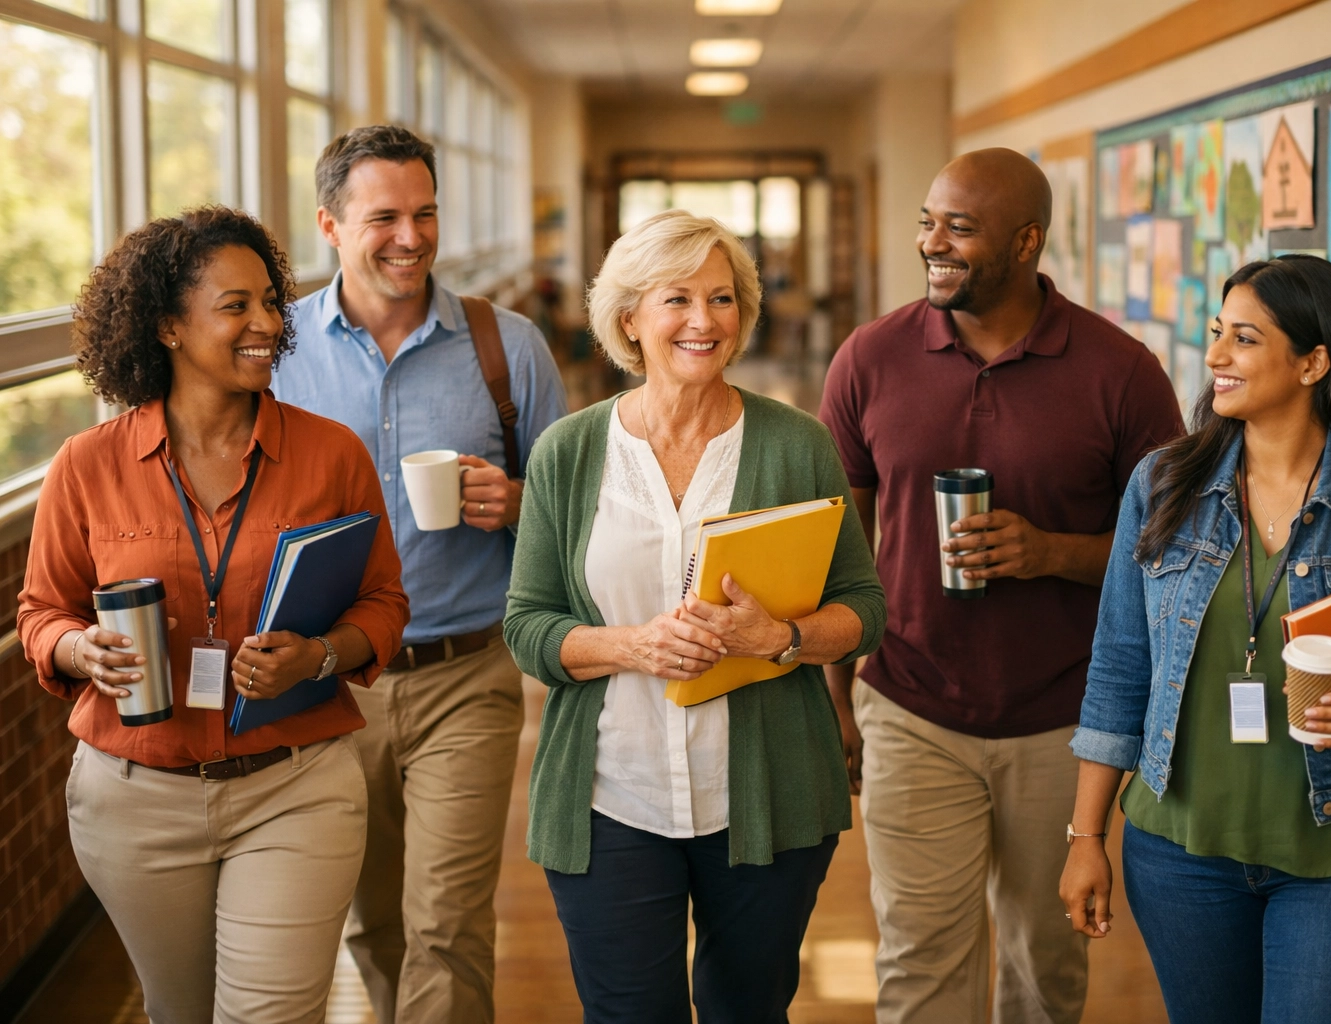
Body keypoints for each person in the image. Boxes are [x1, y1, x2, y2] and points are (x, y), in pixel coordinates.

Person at [1060, 255, 1331, 1024]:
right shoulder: (1162, 487)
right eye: (1217, 333)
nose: (1215, 356)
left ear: (1315, 361)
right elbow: (1121, 664)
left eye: (1244, 339)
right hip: (1181, 852)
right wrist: (1086, 835)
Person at [17, 207, 409, 1024]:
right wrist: (77, 650)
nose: (269, 322)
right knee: (177, 1011)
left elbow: (382, 602)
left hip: (293, 785)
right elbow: (41, 613)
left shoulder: (331, 452)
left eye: (271, 301)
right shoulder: (88, 466)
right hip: (135, 797)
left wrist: (320, 657)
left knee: (269, 1014)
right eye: (237, 306)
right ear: (167, 326)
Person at [818, 148, 1184, 1024]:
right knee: (917, 966)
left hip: (1067, 721)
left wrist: (1049, 552)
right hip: (909, 707)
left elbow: (1175, 560)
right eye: (927, 220)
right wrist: (835, 700)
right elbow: (838, 544)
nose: (932, 243)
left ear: (1027, 242)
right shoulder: (869, 358)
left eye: (960, 228)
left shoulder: (1120, 372)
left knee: (1043, 968)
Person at [503, 210, 886, 1022]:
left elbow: (865, 609)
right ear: (630, 317)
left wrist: (780, 639)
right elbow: (528, 627)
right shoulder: (568, 454)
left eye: (722, 299)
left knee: (747, 1009)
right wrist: (634, 646)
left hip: (765, 799)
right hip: (610, 799)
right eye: (677, 298)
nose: (703, 322)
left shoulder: (797, 444)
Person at [270, 124, 567, 1023]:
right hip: (327, 683)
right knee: (373, 923)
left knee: (447, 922)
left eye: (426, 213)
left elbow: (579, 511)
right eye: (384, 216)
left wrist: (519, 504)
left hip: (465, 676)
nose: (411, 236)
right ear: (329, 224)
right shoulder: (275, 352)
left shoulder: (508, 347)